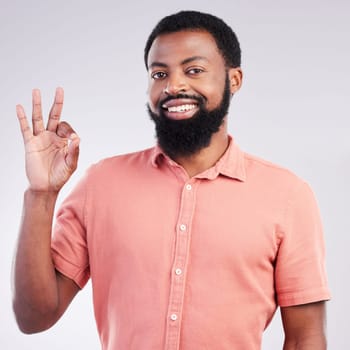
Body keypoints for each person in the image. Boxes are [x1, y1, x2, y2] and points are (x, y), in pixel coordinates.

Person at [13, 10, 330, 350]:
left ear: (234, 79)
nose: (173, 85)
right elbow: (33, 318)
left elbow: (304, 337)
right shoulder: (99, 185)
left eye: (193, 70)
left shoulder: (287, 195)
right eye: (159, 73)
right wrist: (41, 194)